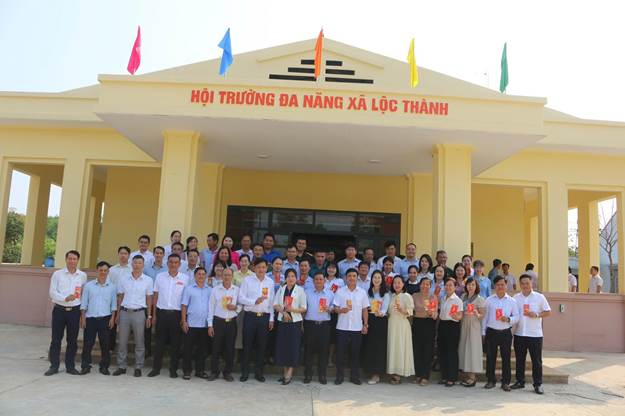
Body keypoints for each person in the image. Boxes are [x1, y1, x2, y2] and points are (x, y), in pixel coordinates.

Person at [45, 250, 88, 376]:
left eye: (74, 259)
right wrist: (65, 298)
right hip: (59, 310)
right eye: (70, 258)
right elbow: (52, 292)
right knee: (56, 339)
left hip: (74, 311)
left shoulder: (82, 276)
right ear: (66, 259)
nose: (72, 261)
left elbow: (83, 294)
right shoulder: (57, 274)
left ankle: (70, 366)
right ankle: (54, 366)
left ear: (78, 260)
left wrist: (82, 313)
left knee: (72, 340)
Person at [148, 253, 189, 378]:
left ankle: (173, 369)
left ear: (179, 264)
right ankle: (156, 368)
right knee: (159, 343)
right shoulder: (160, 277)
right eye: (171, 262)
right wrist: (154, 315)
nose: (173, 264)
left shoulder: (185, 279)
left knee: (175, 344)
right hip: (161, 314)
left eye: (176, 262)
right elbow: (155, 296)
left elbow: (186, 300)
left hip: (176, 315)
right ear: (167, 263)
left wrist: (184, 318)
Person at [114, 255, 153, 377]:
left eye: (140, 263)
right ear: (132, 264)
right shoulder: (124, 279)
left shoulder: (148, 280)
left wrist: (149, 316)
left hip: (139, 313)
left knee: (139, 342)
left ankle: (138, 367)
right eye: (135, 262)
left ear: (143, 265)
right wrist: (118, 313)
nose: (137, 265)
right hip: (124, 312)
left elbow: (149, 299)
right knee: (122, 342)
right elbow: (120, 297)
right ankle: (121, 366)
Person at [512, 274, 552, 395]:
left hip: (535, 334)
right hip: (519, 333)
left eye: (527, 283)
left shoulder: (539, 297)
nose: (525, 285)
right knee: (520, 360)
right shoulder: (515, 298)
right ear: (520, 284)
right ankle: (520, 381)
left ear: (532, 283)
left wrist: (537, 314)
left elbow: (548, 312)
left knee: (536, 361)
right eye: (523, 283)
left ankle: (538, 384)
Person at [238, 258, 275, 382]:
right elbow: (240, 298)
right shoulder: (247, 280)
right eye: (258, 267)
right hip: (250, 317)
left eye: (263, 267)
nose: (261, 269)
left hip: (264, 317)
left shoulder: (270, 282)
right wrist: (254, 301)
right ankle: (245, 372)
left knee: (262, 346)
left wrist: (271, 319)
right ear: (254, 268)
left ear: (266, 268)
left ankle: (259, 372)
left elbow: (271, 302)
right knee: (247, 344)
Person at [333, 268, 369, 385]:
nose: (351, 278)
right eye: (349, 276)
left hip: (356, 327)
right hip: (342, 327)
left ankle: (355, 377)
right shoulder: (340, 291)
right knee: (340, 354)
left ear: (357, 278)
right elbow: (335, 308)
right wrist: (341, 310)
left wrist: (365, 324)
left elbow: (365, 310)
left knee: (355, 353)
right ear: (346, 278)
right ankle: (339, 376)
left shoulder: (362, 292)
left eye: (354, 276)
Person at [79, 261, 117, 375]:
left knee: (105, 345)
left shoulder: (112, 287)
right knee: (87, 344)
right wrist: (83, 318)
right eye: (101, 270)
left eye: (105, 270)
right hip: (90, 319)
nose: (103, 272)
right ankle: (85, 366)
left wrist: (112, 318)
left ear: (108, 272)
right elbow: (84, 303)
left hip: (105, 319)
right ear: (97, 271)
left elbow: (113, 305)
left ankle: (104, 366)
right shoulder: (88, 286)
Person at [483, 275, 519, 391]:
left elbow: (517, 317)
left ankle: (505, 382)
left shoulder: (512, 301)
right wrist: (483, 332)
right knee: (490, 357)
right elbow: (485, 317)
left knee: (506, 358)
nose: (500, 287)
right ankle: (491, 380)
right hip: (491, 332)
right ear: (494, 286)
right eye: (498, 285)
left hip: (505, 333)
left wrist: (508, 319)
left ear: (506, 285)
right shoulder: (489, 300)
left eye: (502, 284)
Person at [273, 268, 307, 385]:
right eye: (288, 276)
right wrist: (284, 312)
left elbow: (304, 308)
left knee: (293, 347)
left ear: (296, 278)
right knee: (283, 346)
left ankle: (289, 373)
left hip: (295, 323)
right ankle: (284, 372)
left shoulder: (300, 290)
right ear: (285, 278)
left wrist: (291, 310)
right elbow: (275, 305)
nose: (290, 278)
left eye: (293, 276)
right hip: (283, 321)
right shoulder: (281, 289)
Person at [207, 267, 239, 382]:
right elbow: (211, 307)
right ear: (222, 276)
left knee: (230, 348)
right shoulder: (215, 290)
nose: (227, 277)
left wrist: (235, 307)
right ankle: (214, 372)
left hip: (231, 322)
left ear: (232, 277)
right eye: (225, 275)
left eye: (229, 275)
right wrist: (210, 325)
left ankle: (227, 372)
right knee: (215, 348)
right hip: (218, 322)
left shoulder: (237, 290)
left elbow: (241, 304)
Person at [303, 271, 334, 384]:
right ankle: (308, 374)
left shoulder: (330, 293)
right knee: (308, 350)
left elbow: (334, 307)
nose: (319, 281)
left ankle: (322, 375)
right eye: (316, 279)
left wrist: (330, 309)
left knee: (324, 351)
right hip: (310, 324)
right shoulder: (307, 292)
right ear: (313, 281)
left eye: (321, 279)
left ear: (324, 280)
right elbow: (303, 308)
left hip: (324, 325)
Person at [181, 267, 211, 380]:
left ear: (206, 276)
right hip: (191, 324)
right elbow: (184, 305)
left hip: (204, 325)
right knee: (188, 349)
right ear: (194, 276)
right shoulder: (188, 289)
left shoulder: (210, 290)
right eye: (199, 274)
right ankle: (187, 371)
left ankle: (200, 371)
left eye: (203, 274)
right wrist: (184, 321)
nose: (201, 276)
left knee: (202, 350)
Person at [458, 277, 486, 387]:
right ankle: (466, 375)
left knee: (473, 350)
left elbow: (482, 315)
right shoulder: (463, 297)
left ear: (476, 286)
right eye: (469, 284)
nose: (470, 286)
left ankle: (473, 377)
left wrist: (476, 313)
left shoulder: (479, 299)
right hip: (464, 323)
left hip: (474, 325)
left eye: (473, 284)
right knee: (464, 349)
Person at [387, 275, 415, 384]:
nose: (397, 285)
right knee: (393, 347)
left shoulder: (407, 296)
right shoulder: (391, 296)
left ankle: (398, 374)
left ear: (403, 284)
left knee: (400, 347)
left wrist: (401, 310)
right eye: (395, 283)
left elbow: (410, 312)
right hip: (392, 324)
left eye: (399, 282)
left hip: (402, 325)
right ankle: (392, 371)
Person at [364, 270, 390, 385]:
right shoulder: (368, 292)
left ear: (382, 279)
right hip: (369, 319)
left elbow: (384, 309)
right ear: (372, 279)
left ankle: (377, 374)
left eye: (379, 277)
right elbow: (365, 306)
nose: (377, 279)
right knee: (369, 346)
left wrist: (381, 312)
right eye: (375, 277)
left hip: (380, 321)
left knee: (379, 347)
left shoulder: (386, 293)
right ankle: (369, 371)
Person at [411, 278, 438, 385]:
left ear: (430, 286)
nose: (425, 286)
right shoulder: (414, 296)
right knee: (417, 350)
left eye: (427, 284)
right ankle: (418, 375)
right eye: (423, 284)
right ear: (420, 284)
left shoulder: (433, 297)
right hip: (417, 324)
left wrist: (431, 313)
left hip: (428, 325)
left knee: (427, 350)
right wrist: (423, 312)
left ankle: (425, 376)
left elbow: (434, 314)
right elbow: (412, 311)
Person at [438, 277, 463, 387]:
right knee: (442, 351)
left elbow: (460, 316)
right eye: (446, 285)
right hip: (442, 325)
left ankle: (452, 377)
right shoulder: (443, 298)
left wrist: (456, 316)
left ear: (455, 287)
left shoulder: (457, 300)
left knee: (451, 352)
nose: (448, 287)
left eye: (450, 285)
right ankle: (444, 376)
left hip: (452, 326)